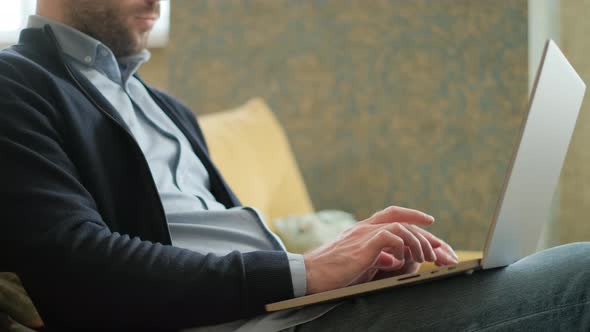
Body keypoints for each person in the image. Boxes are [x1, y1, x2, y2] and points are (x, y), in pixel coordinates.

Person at [0, 0, 587, 331]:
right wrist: (306, 273)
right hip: (235, 323)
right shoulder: (16, 85)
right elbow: (78, 269)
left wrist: (345, 261)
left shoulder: (167, 108)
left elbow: (221, 238)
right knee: (579, 278)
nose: (158, 3)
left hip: (284, 311)